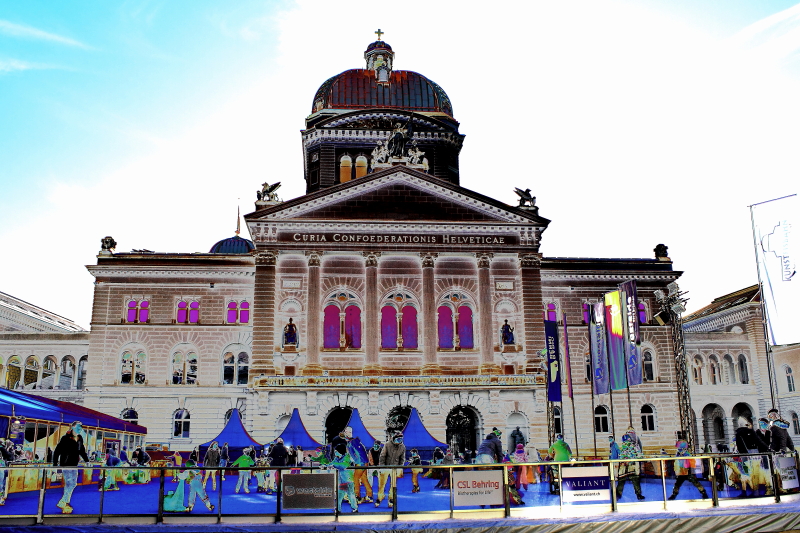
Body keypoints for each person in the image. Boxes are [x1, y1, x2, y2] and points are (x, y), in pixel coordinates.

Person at [52, 421, 89, 514]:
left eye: (81, 427)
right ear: (73, 427)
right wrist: (55, 464)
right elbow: (57, 451)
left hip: (74, 464)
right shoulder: (65, 438)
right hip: (66, 463)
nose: (80, 429)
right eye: (78, 427)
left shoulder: (80, 439)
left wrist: (87, 460)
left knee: (73, 483)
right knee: (69, 482)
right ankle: (64, 501)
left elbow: (82, 451)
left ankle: (63, 501)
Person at [377, 432, 405, 507]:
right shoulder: (387, 444)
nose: (399, 441)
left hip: (395, 468)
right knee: (382, 484)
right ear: (394, 438)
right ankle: (380, 497)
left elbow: (402, 459)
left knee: (393, 485)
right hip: (385, 467)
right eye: (398, 439)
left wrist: (400, 468)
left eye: (401, 439)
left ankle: (391, 498)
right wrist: (382, 467)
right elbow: (382, 456)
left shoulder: (402, 447)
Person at [616, 433, 645, 501]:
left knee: (622, 481)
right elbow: (639, 455)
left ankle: (618, 495)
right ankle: (638, 494)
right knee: (635, 480)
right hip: (632, 466)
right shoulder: (634, 446)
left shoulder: (623, 447)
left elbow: (621, 457)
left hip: (625, 467)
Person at [331, 448, 358, 513]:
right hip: (342, 480)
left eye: (336, 451)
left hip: (348, 479)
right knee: (340, 495)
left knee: (350, 494)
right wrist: (325, 465)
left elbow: (343, 465)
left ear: (340, 451)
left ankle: (354, 508)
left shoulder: (347, 458)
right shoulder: (337, 458)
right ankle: (338, 509)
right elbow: (332, 463)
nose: (335, 452)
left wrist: (333, 465)